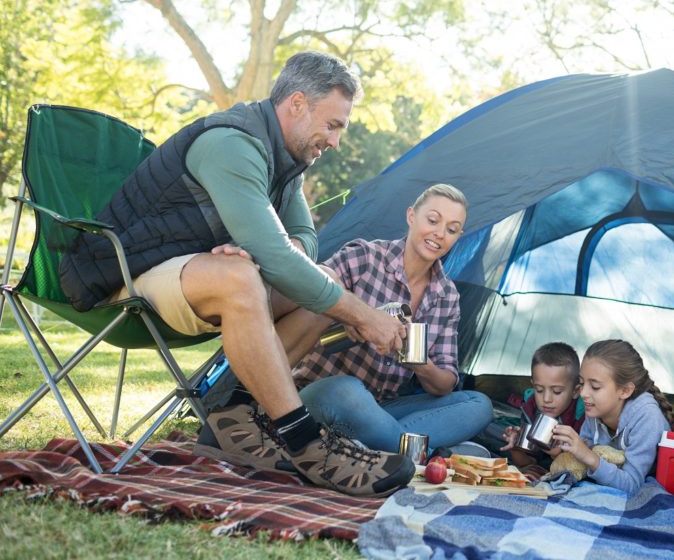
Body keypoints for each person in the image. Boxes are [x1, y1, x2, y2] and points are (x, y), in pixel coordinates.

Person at [58, 51, 415, 497]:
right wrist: (363, 315)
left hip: (187, 273)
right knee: (243, 278)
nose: (336, 141)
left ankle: (237, 413)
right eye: (334, 125)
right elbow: (280, 257)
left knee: (321, 280)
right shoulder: (233, 143)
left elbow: (303, 240)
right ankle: (305, 442)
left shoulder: (285, 161)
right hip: (123, 277)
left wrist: (264, 249)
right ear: (298, 104)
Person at [280, 184, 493, 454]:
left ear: (458, 237)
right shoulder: (366, 257)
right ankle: (414, 453)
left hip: (382, 408)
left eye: (451, 229)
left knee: (478, 404)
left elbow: (446, 383)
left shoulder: (447, 296)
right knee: (348, 390)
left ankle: (377, 447)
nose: (439, 234)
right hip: (323, 394)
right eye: (432, 220)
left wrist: (419, 362)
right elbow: (315, 281)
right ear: (411, 216)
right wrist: (354, 316)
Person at [551, 339, 674, 495]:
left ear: (625, 391)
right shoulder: (595, 410)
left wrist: (587, 455)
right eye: (582, 383)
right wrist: (563, 452)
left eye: (595, 387)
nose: (583, 393)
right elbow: (579, 467)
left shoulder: (647, 417)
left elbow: (631, 484)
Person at [500, 342, 584, 477]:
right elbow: (526, 463)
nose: (546, 399)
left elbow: (581, 469)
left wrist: (559, 454)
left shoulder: (582, 417)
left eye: (556, 392)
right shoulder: (531, 409)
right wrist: (516, 447)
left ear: (575, 391)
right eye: (539, 390)